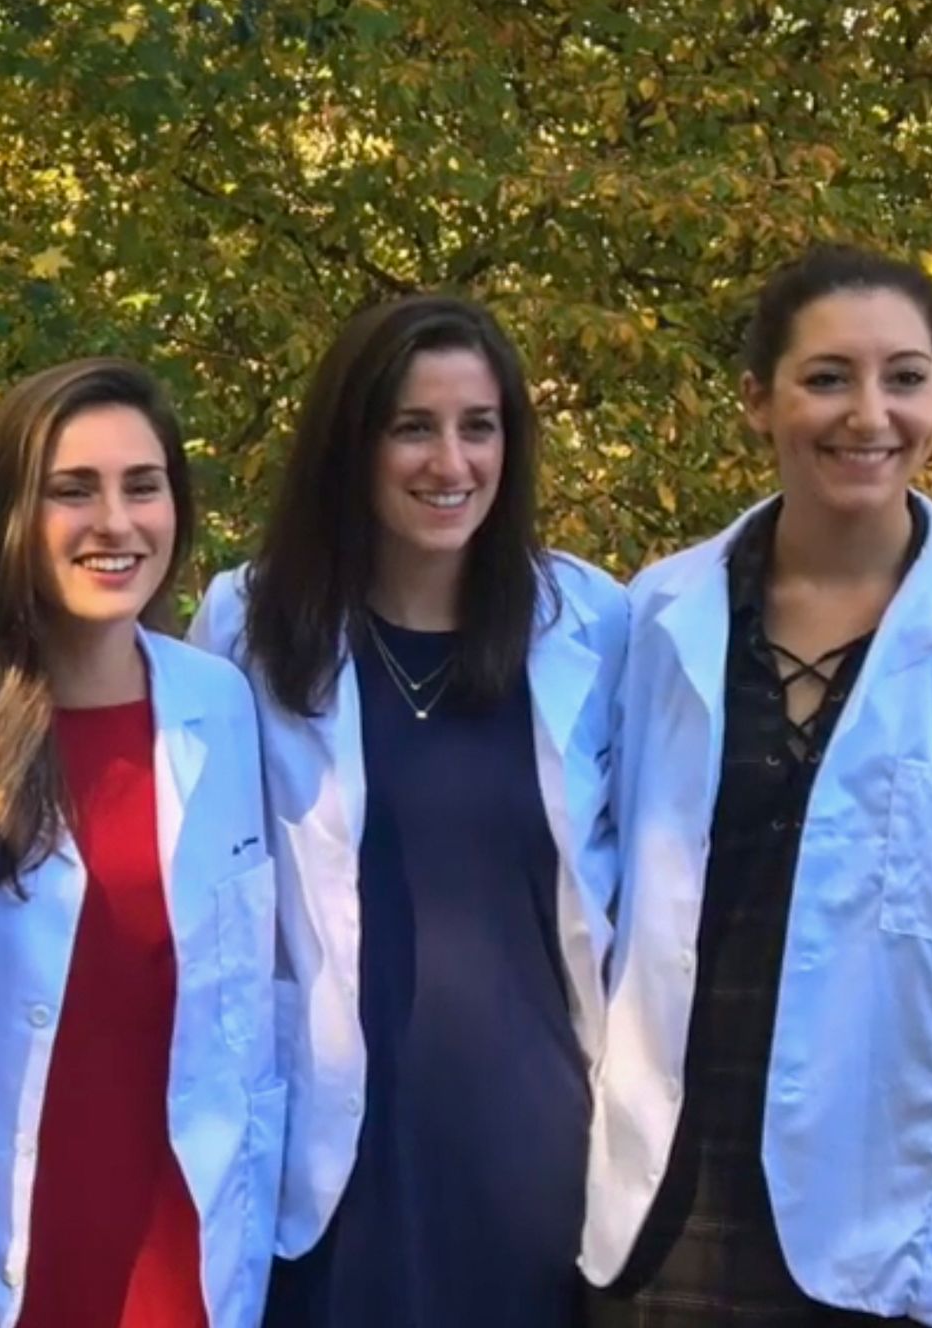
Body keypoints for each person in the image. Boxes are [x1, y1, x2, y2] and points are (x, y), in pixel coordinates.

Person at [585, 246, 932, 1327]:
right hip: (669, 1216)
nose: (868, 413)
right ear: (756, 401)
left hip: (898, 1223)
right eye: (827, 376)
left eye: (903, 377)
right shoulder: (651, 620)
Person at [189, 294, 628, 1327]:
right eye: (412, 428)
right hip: (335, 1146)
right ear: (353, 442)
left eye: (478, 427)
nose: (451, 462)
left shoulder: (590, 625)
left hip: (530, 1150)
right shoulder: (249, 627)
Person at [0, 359, 281, 1328]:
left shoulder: (217, 706)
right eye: (71, 491)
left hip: (180, 1261)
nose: (114, 522)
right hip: (0, 1261)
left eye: (141, 487)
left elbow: (248, 1007)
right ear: (9, 519)